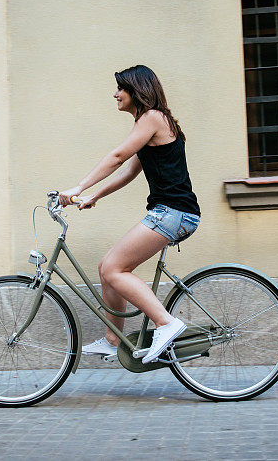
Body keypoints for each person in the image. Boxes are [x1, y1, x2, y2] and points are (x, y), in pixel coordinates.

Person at [58, 65, 201, 365]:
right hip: (170, 212)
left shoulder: (152, 118)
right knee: (107, 268)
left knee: (113, 269)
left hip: (173, 213)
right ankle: (113, 341)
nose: (115, 94)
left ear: (137, 90)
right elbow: (129, 170)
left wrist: (77, 187)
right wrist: (94, 196)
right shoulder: (152, 123)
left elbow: (117, 156)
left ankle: (166, 323)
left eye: (120, 88)